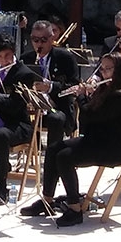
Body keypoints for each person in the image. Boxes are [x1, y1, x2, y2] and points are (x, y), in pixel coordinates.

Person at [20, 53, 121, 227]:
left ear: (119, 71)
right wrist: (89, 96)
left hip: (112, 148)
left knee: (65, 156)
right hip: (97, 140)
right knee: (54, 149)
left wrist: (82, 96)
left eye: (109, 69)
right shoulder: (106, 90)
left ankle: (75, 209)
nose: (104, 73)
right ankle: (47, 201)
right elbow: (90, 118)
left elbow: (90, 116)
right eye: (102, 68)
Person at [0, 34, 36, 205]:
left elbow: (14, 106)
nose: (3, 60)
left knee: (1, 135)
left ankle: (2, 185)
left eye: (7, 56)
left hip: (17, 124)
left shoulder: (24, 73)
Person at [19, 20, 79, 148]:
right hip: (33, 107)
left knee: (55, 119)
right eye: (35, 40)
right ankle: (34, 149)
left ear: (52, 38)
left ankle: (52, 157)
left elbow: (74, 85)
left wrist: (51, 87)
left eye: (43, 40)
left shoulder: (65, 57)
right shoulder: (26, 58)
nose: (39, 44)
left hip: (57, 106)